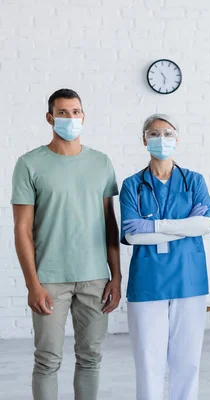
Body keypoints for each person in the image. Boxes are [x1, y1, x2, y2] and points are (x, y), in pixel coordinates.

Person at [11, 88, 121, 400]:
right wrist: (33, 284)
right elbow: (22, 230)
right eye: (63, 113)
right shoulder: (29, 164)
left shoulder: (101, 163)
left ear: (83, 116)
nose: (70, 118)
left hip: (95, 278)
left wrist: (116, 276)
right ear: (50, 118)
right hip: (49, 279)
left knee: (90, 358)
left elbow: (109, 224)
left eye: (76, 112)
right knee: (47, 360)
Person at [119, 114, 210, 400]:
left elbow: (206, 225)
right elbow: (133, 234)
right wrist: (184, 227)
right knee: (148, 363)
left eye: (167, 133)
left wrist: (155, 226)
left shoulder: (194, 181)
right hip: (148, 281)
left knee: (187, 363)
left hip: (189, 281)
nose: (161, 139)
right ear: (144, 140)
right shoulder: (132, 185)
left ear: (177, 139)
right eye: (153, 134)